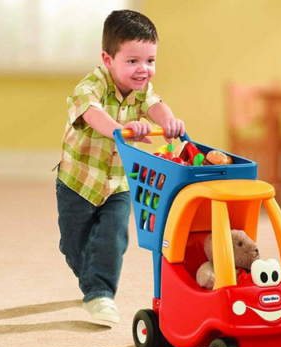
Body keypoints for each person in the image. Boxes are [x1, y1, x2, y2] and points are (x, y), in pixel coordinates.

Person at [56, 9, 185, 324]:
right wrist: (120, 129)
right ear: (108, 59)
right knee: (75, 247)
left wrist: (169, 121)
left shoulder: (142, 90)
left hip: (119, 182)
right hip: (78, 180)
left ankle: (100, 294)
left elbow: (155, 105)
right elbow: (92, 113)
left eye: (150, 60)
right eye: (133, 61)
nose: (143, 69)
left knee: (113, 235)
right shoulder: (91, 85)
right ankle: (86, 269)